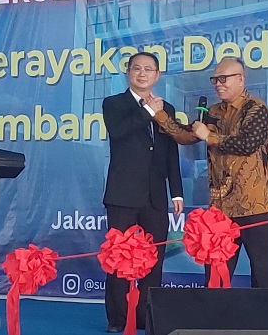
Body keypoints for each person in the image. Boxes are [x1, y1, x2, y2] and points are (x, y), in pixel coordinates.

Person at [150, 57, 268, 288]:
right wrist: (159, 114)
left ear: (241, 79)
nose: (218, 84)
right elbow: (186, 136)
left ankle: (264, 313)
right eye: (215, 79)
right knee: (215, 278)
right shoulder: (213, 111)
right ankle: (215, 313)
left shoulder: (257, 109)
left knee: (264, 277)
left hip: (257, 206)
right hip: (221, 209)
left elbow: (246, 144)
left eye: (223, 79)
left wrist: (209, 136)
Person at [102, 52, 184, 333]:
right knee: (118, 258)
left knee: (154, 260)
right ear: (128, 73)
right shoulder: (114, 104)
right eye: (136, 68)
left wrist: (176, 191)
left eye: (148, 69)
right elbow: (119, 132)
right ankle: (117, 318)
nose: (142, 73)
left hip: (155, 195)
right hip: (122, 194)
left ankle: (146, 316)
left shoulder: (167, 108)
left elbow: (170, 150)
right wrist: (149, 111)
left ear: (157, 75)